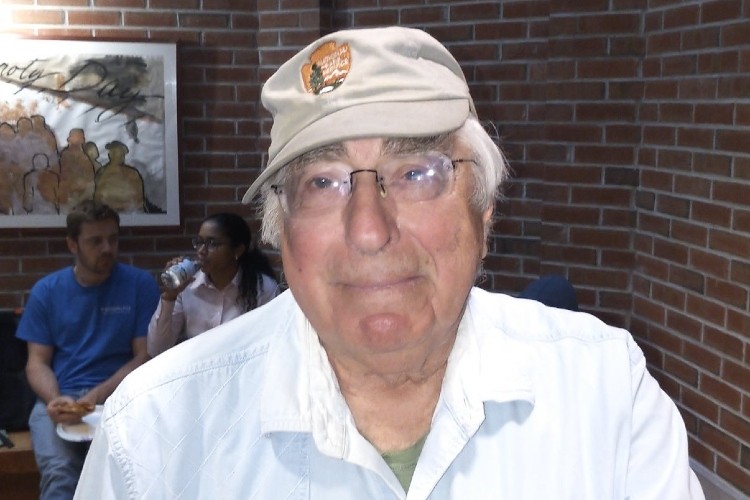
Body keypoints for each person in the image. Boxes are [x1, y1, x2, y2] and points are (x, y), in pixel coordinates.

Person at [75, 27, 705, 499]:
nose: (370, 230)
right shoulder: (156, 433)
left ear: (483, 214)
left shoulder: (604, 395)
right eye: (324, 183)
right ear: (281, 236)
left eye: (417, 172)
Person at [15, 199, 160, 500]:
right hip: (60, 396)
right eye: (96, 241)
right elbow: (37, 363)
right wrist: (58, 400)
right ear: (72, 244)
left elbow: (143, 357)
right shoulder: (47, 290)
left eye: (113, 239)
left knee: (128, 475)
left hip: (120, 397)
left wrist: (95, 397)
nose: (107, 248)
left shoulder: (139, 285)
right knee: (61, 473)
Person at [147, 212, 279, 356]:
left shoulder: (263, 289)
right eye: (199, 242)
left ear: (238, 250)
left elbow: (273, 345)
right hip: (197, 369)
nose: (201, 251)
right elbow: (157, 350)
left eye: (212, 244)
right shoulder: (188, 287)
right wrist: (170, 296)